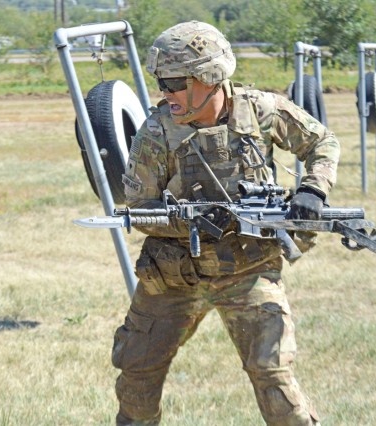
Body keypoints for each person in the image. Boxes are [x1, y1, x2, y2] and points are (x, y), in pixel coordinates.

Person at [113, 21, 339, 425]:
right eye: (161, 82)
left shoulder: (261, 111)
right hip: (174, 274)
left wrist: (313, 189)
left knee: (272, 375)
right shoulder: (156, 132)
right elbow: (140, 207)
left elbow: (321, 142)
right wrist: (192, 224)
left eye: (176, 81)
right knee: (137, 374)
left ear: (210, 76)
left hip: (247, 269)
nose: (167, 92)